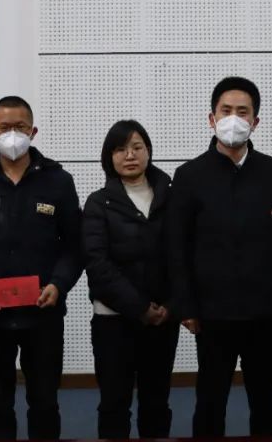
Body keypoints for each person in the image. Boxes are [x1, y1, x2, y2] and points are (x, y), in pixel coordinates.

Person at [167, 76, 272, 437]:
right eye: (226, 111)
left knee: (265, 400)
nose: (234, 119)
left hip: (264, 311)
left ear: (255, 121)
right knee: (210, 401)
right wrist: (185, 305)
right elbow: (177, 247)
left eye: (243, 112)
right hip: (211, 313)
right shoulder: (189, 175)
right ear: (211, 118)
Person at [0, 96, 83, 440]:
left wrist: (58, 284)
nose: (12, 135)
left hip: (43, 314)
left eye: (20, 127)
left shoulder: (59, 181)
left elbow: (74, 247)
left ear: (33, 131)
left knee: (45, 403)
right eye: (4, 128)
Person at [83, 120, 179, 439]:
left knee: (157, 403)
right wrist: (140, 307)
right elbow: (97, 264)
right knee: (114, 404)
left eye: (137, 147)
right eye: (120, 149)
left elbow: (182, 256)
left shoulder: (172, 197)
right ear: (109, 157)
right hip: (113, 321)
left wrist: (170, 305)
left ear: (148, 151)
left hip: (162, 319)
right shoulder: (98, 203)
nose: (130, 155)